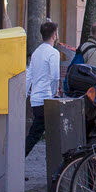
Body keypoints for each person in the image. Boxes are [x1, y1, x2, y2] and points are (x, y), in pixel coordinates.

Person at [25, 20, 63, 155]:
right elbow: (54, 77)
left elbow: (29, 76)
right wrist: (54, 95)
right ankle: (17, 160)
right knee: (42, 134)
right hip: (46, 98)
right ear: (54, 35)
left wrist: (25, 94)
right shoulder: (53, 53)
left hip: (36, 99)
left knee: (37, 133)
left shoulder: (36, 52)